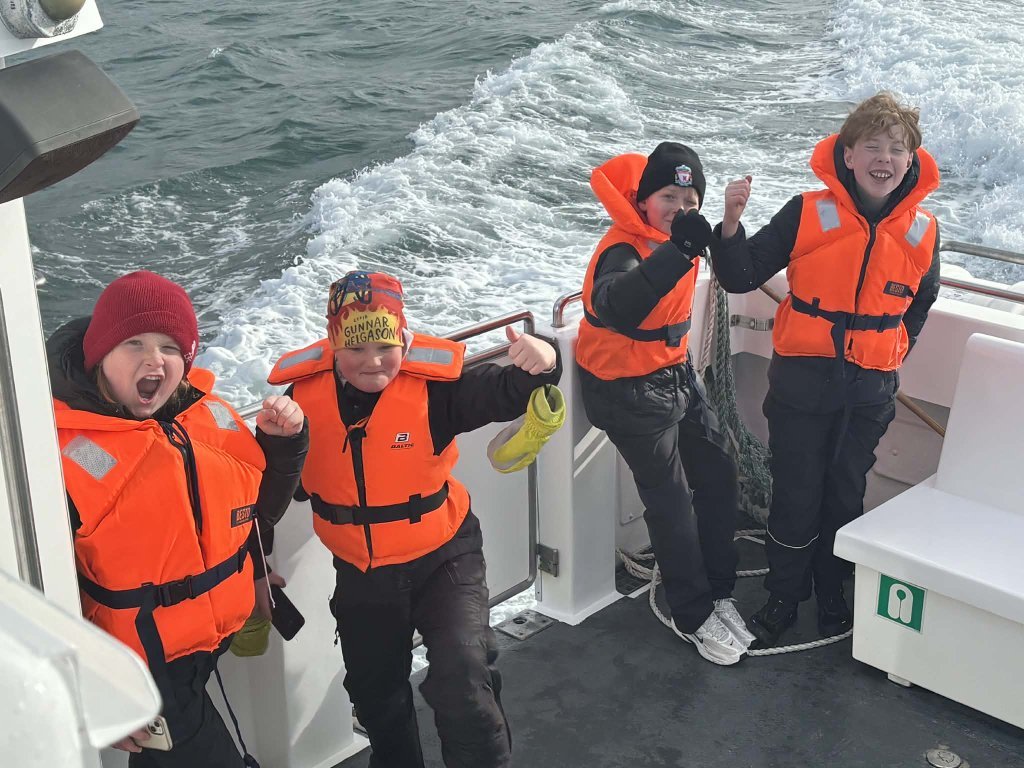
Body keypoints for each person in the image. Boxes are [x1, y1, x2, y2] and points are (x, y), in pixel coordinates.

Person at [267, 270, 561, 768]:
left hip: (445, 556)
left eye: (385, 345)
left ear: (403, 336)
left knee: (463, 675)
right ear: (332, 342)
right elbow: (279, 488)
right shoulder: (300, 401)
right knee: (375, 694)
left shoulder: (437, 390)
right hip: (361, 572)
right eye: (355, 348)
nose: (372, 361)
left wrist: (544, 359)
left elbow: (507, 389)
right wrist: (279, 441)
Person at [48, 270, 309, 767]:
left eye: (170, 347)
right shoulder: (55, 452)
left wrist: (284, 443)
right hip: (140, 668)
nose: (155, 359)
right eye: (134, 343)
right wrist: (89, 682)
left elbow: (257, 510)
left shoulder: (205, 415)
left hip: (207, 642)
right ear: (99, 353)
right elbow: (41, 585)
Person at [709, 91, 941, 648]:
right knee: (796, 494)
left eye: (897, 149)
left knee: (845, 494)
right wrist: (731, 225)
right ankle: (785, 595)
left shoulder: (924, 230)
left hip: (870, 391)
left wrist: (891, 352)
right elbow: (740, 276)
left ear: (911, 160)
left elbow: (922, 301)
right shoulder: (806, 211)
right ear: (849, 155)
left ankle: (832, 590)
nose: (885, 158)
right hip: (802, 383)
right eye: (873, 146)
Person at [574, 142, 753, 666]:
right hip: (624, 388)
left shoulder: (684, 236)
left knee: (720, 469)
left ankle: (718, 590)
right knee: (671, 501)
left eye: (689, 200)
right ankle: (691, 614)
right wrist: (680, 250)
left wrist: (727, 223)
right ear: (643, 200)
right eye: (667, 197)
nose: (678, 208)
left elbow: (739, 273)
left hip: (673, 374)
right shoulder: (622, 249)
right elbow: (617, 304)